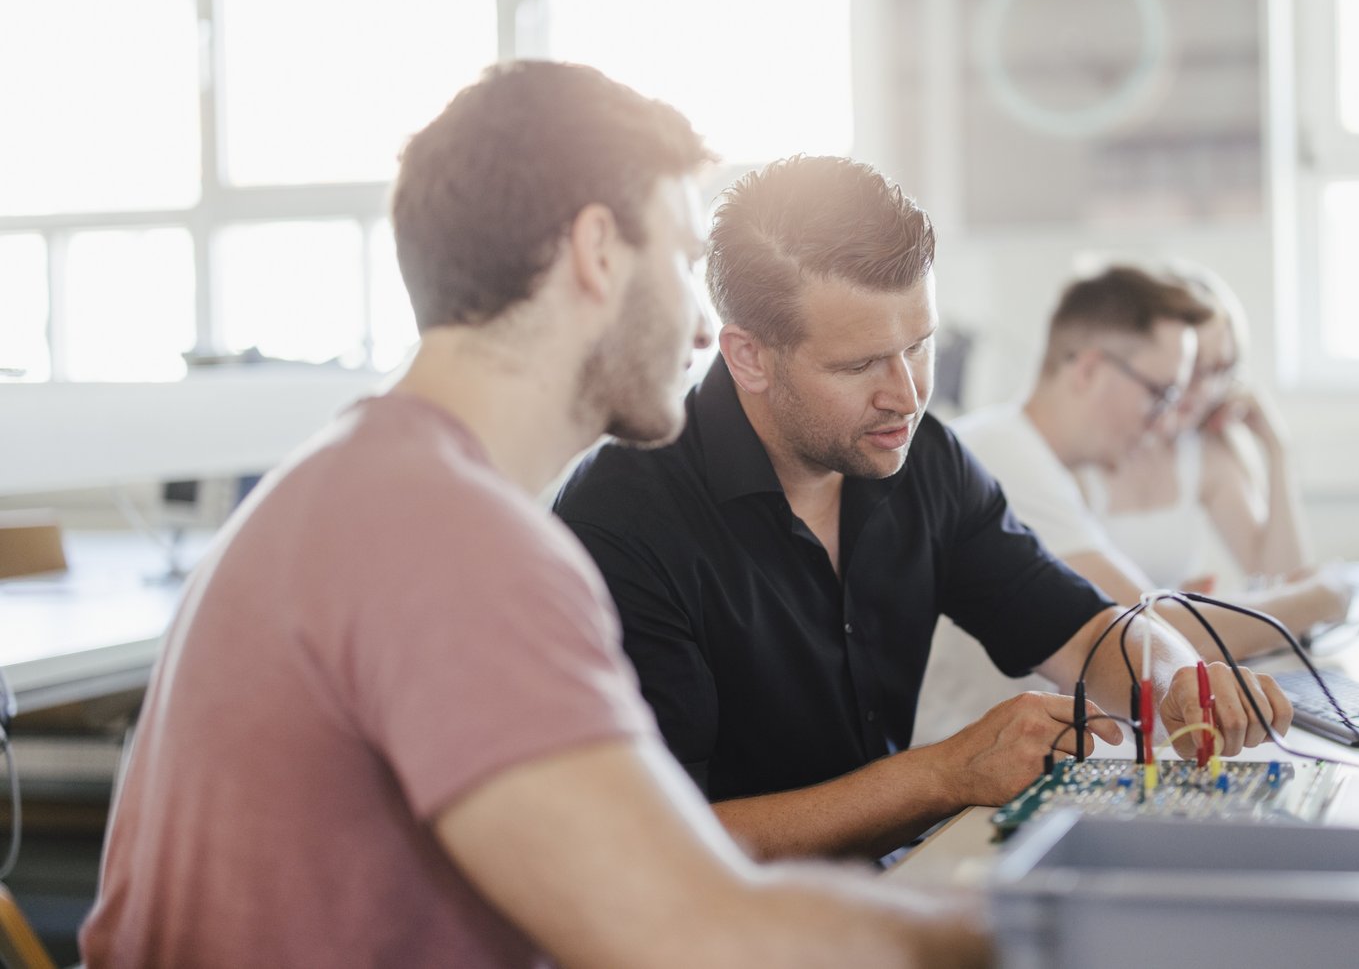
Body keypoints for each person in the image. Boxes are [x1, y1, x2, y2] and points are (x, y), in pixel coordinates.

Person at [80, 62, 992, 968]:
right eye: (681, 261)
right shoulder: (449, 540)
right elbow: (687, 931)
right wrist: (1022, 930)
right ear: (598, 252)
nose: (709, 331)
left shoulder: (365, 485)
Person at [554, 155, 1291, 865]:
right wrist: (945, 774)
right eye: (860, 363)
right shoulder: (622, 522)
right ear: (748, 356)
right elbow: (662, 841)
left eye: (920, 345)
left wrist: (1177, 673)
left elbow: (1082, 628)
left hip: (884, 881)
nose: (906, 394)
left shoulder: (921, 457)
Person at [954, 265, 1348, 665]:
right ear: (1089, 370)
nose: (1165, 418)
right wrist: (1324, 596)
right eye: (1160, 392)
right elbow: (1153, 637)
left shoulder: (1030, 451)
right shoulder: (1007, 458)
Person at [1081, 263, 1315, 592]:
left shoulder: (1204, 451)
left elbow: (1284, 584)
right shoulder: (1082, 451)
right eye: (1193, 366)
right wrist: (1171, 607)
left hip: (1171, 638)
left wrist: (1277, 449)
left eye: (1220, 370)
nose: (1204, 389)